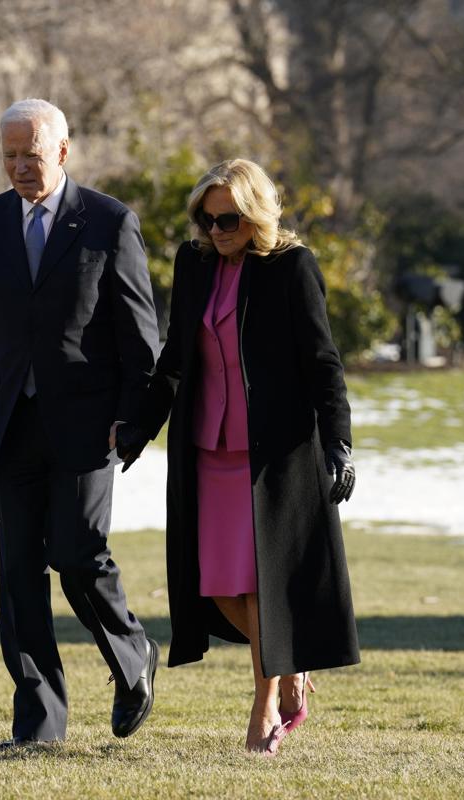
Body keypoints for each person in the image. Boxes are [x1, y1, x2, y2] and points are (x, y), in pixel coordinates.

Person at [115, 159, 359, 755]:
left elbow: (322, 364)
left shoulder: (292, 268)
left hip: (272, 455)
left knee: (259, 586)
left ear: (255, 217)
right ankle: (293, 665)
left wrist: (340, 442)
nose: (216, 229)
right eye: (206, 218)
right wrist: (141, 427)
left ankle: (264, 706)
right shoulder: (194, 264)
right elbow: (174, 357)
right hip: (207, 449)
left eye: (228, 219)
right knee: (216, 587)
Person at [0, 98, 162, 747]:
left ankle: (133, 659)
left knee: (76, 557)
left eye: (29, 155)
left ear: (62, 152)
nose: (17, 167)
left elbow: (141, 339)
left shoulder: (108, 223)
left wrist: (133, 419)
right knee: (18, 575)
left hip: (88, 427)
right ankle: (40, 721)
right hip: (11, 422)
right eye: (8, 155)